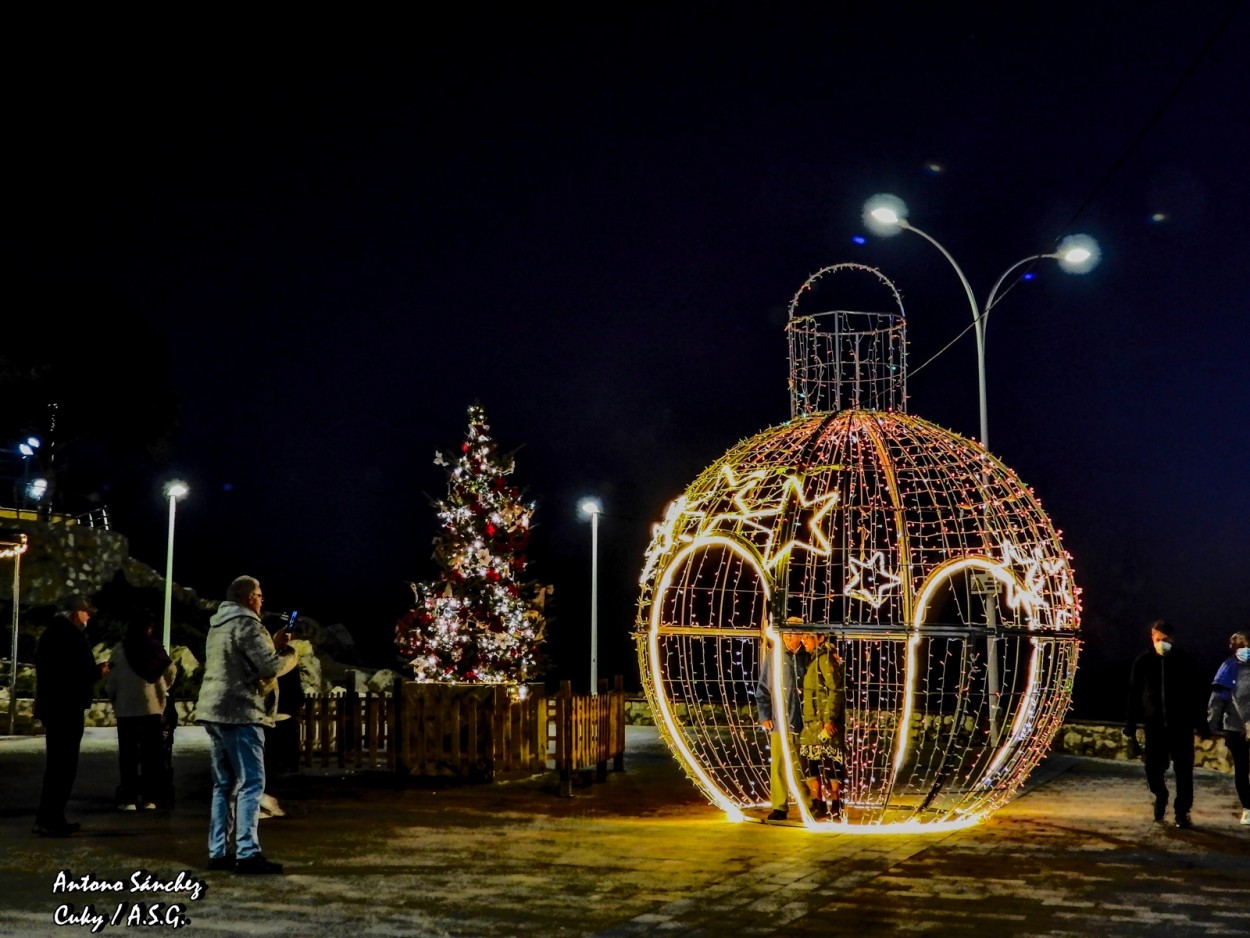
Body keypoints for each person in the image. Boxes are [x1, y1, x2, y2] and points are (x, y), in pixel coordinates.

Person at [196, 576, 297, 873]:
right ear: (249, 597)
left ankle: (218, 852)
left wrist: (272, 644)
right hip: (241, 712)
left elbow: (243, 661)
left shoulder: (218, 625)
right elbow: (270, 667)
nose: (262, 601)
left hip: (214, 711)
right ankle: (247, 854)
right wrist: (290, 653)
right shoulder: (248, 624)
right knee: (252, 783)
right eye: (260, 595)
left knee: (223, 785)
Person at [33, 594, 107, 836]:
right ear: (76, 613)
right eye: (86, 612)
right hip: (66, 708)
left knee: (57, 766)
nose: (89, 616)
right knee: (63, 767)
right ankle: (51, 820)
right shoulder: (71, 635)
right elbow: (77, 674)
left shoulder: (50, 634)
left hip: (54, 707)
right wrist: (99, 671)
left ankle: (48, 817)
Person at [1124, 619, 1207, 828]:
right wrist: (1130, 723)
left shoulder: (1184, 660)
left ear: (1173, 638)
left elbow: (1196, 693)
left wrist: (1202, 723)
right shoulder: (1143, 662)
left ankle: (1182, 812)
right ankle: (1161, 795)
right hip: (1154, 726)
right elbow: (1134, 695)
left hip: (1181, 726)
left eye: (1166, 639)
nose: (1162, 643)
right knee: (1152, 769)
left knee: (1184, 771)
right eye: (1158, 639)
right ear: (1152, 637)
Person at [105, 619, 177, 811]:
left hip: (126, 709)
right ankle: (150, 798)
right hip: (152, 709)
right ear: (149, 629)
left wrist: (114, 697)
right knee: (151, 755)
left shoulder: (120, 650)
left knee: (128, 755)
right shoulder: (155, 650)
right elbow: (170, 670)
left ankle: (128, 798)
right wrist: (162, 691)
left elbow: (112, 678)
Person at [756, 629, 809, 821]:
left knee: (803, 766)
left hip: (805, 723)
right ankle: (779, 805)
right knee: (778, 765)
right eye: (786, 634)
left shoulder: (809, 655)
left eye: (793, 633)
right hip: (780, 721)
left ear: (801, 636)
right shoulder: (774, 657)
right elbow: (763, 688)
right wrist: (764, 715)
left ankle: (808, 804)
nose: (788, 637)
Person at [260, 616, 305, 819]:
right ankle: (262, 802)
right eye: (281, 631)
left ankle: (269, 800)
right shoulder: (262, 658)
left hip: (286, 716)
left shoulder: (290, 657)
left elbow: (295, 687)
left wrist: (297, 707)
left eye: (288, 632)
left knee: (278, 765)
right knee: (265, 763)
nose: (286, 636)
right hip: (265, 718)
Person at [798, 632, 845, 820]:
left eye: (808, 638)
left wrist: (829, 718)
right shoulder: (814, 659)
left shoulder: (825, 659)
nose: (804, 641)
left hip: (822, 722)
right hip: (811, 721)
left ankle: (836, 804)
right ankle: (818, 802)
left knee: (831, 762)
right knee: (811, 762)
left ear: (821, 639)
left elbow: (835, 688)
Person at [1207, 630, 1250, 826]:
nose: (1246, 650)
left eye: (1248, 646)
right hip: (1235, 729)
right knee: (1242, 770)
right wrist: (1211, 724)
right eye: (1241, 647)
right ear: (1234, 649)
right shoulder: (1228, 668)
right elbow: (1217, 700)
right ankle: (1248, 808)